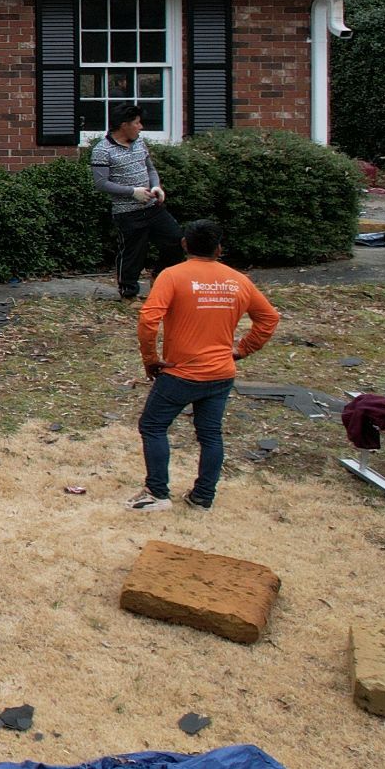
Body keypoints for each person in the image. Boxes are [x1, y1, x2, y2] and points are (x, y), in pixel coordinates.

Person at [132, 219, 279, 513]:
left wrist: (150, 359)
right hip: (221, 373)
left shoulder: (172, 276)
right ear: (219, 248)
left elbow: (149, 320)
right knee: (210, 434)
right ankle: (203, 497)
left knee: (153, 425)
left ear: (184, 245)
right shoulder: (238, 280)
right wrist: (241, 350)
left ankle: (157, 493)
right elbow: (269, 319)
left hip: (181, 372)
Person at [90, 103, 181, 301]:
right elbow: (101, 183)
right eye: (137, 123)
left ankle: (159, 275)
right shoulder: (102, 150)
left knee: (176, 240)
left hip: (153, 208)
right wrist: (133, 192)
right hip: (127, 212)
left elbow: (150, 169)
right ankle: (129, 294)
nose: (140, 127)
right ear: (124, 125)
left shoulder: (140, 143)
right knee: (133, 253)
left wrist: (156, 186)